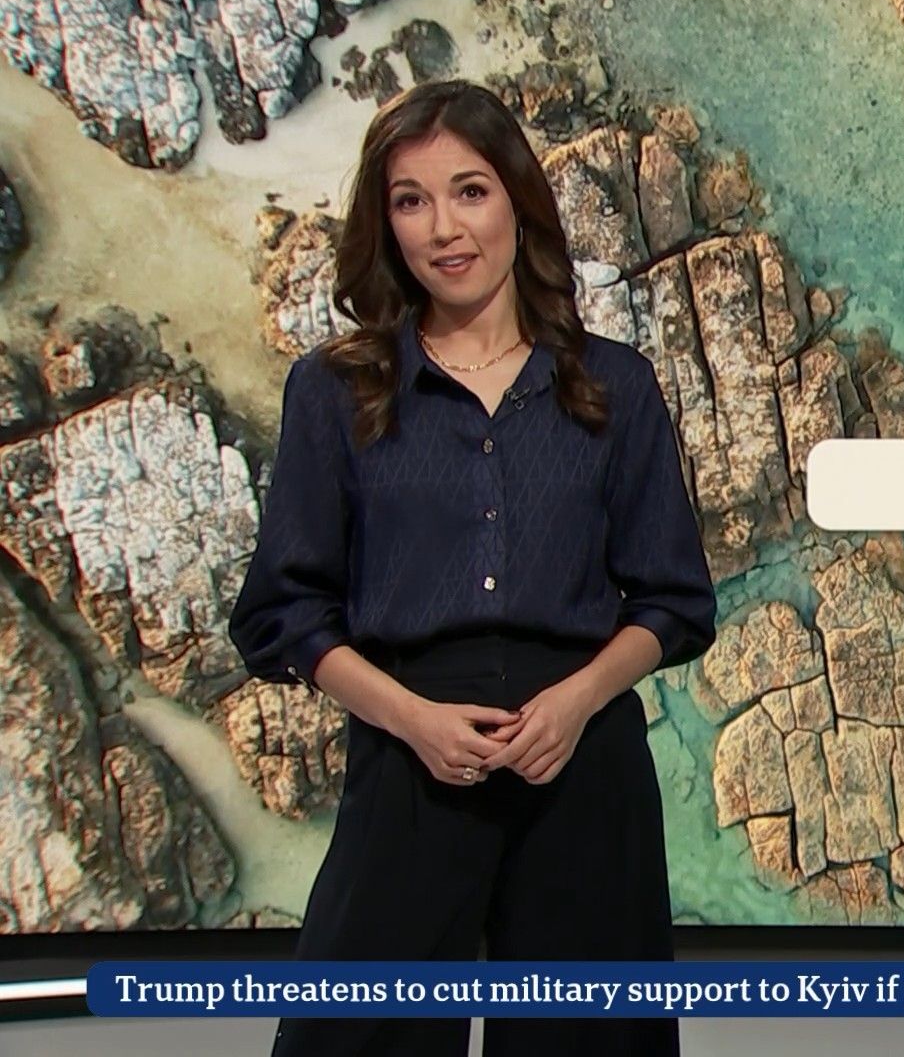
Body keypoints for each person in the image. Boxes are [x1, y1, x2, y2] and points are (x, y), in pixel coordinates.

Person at [227, 78, 717, 1057]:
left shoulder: (614, 385)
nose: (444, 228)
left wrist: (576, 702)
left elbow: (673, 601)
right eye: (411, 200)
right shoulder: (335, 391)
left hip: (581, 765)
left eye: (470, 191)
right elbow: (285, 615)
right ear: (385, 223)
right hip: (407, 761)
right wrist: (412, 719)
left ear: (517, 203)